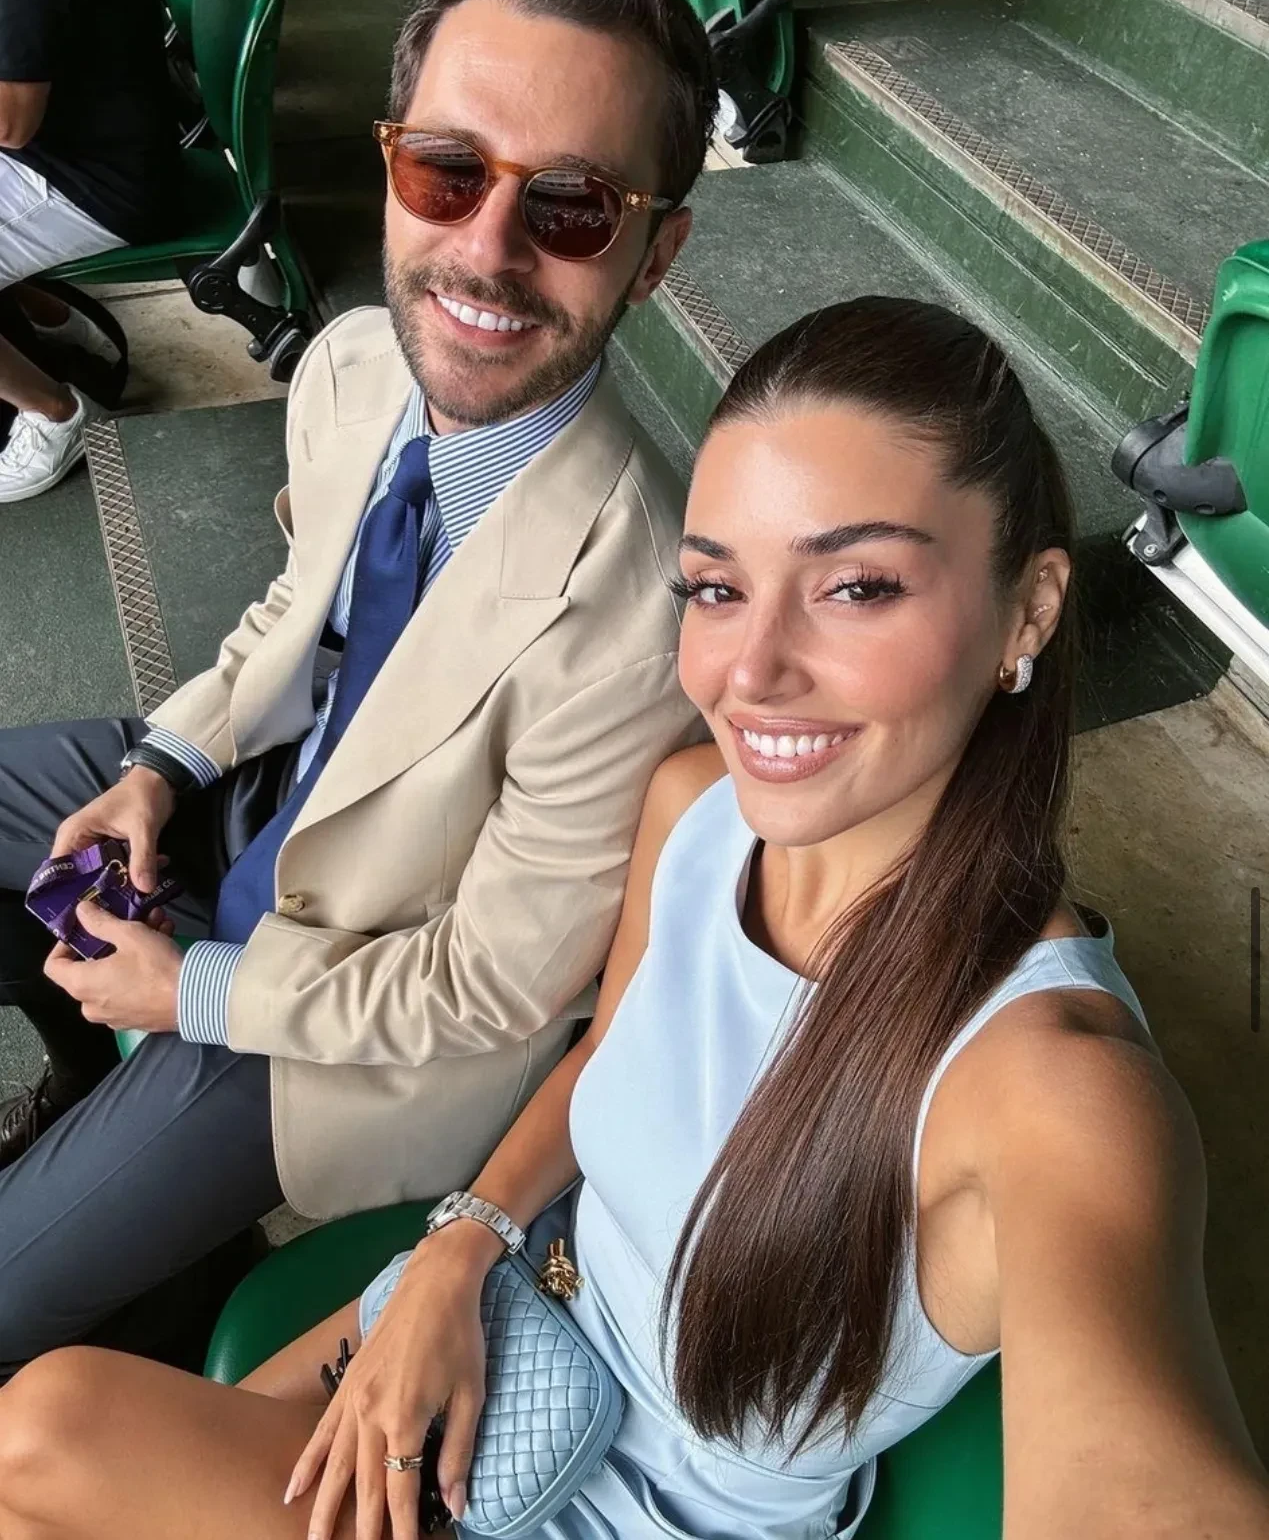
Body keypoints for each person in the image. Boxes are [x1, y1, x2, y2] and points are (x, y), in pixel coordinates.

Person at [4, 296, 1267, 1540]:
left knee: (46, 1439)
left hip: (632, 1508)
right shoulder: (698, 809)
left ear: (1029, 609)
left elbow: (1145, 1488)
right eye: (716, 589)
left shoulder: (1058, 1087)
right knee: (42, 1444)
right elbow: (609, 1052)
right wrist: (464, 1242)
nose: (751, 670)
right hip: (510, 1323)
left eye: (857, 585)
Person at [0, 0, 715, 1379]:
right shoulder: (352, 365)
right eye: (448, 169)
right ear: (389, 165)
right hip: (256, 801)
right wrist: (164, 767)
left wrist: (196, 995)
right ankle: (88, 1081)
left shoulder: (641, 615)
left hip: (350, 1010)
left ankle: (150, 1252)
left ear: (655, 253)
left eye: (573, 205)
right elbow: (295, 614)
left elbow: (488, 986)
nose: (487, 250)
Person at [0, 0, 177, 502]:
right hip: (84, 146)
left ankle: (55, 413)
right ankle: (55, 323)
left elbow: (10, 123)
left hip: (91, 182)